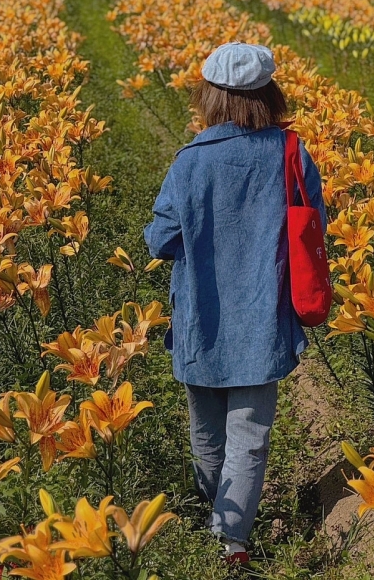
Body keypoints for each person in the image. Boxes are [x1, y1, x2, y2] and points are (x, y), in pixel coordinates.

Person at [144, 42, 327, 565]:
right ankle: (234, 544)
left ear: (210, 97)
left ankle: (217, 521)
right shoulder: (291, 152)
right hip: (265, 315)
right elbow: (315, 224)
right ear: (270, 95)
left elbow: (159, 241)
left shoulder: (191, 161)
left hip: (201, 319)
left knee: (207, 435)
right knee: (250, 437)